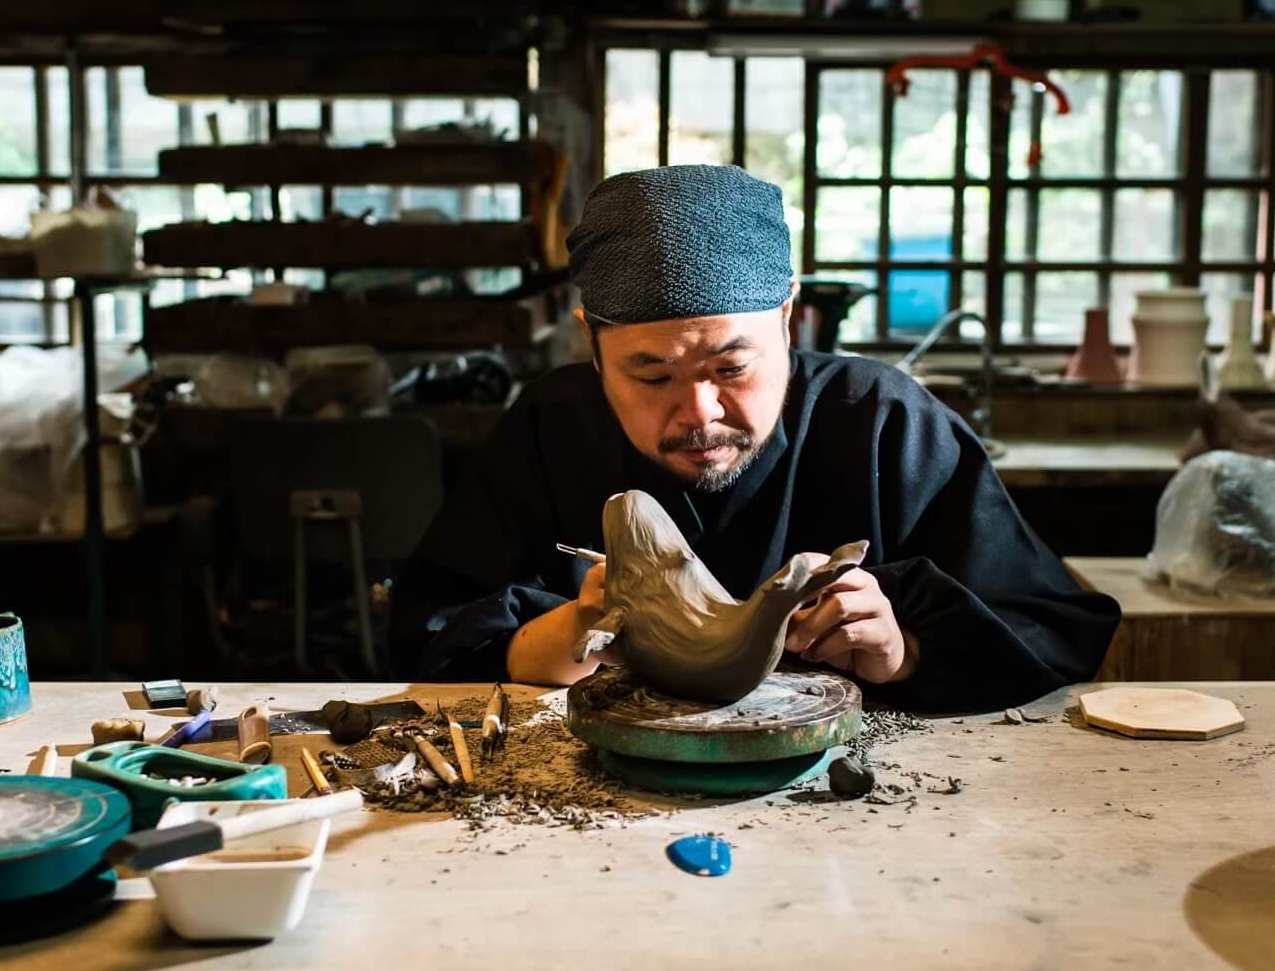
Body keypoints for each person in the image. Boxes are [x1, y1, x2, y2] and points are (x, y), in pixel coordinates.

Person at [389, 163, 1119, 712]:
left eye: (731, 367)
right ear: (592, 345)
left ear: (788, 319)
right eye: (652, 375)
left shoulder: (884, 422)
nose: (699, 411)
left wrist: (905, 650)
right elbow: (431, 631)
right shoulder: (552, 427)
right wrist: (573, 628)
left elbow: (1050, 628)